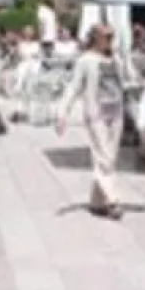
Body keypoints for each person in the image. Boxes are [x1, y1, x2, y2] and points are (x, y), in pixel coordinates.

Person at [57, 23, 128, 219]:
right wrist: (62, 113)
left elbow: (124, 82)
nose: (110, 40)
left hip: (116, 112)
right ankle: (113, 200)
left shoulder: (117, 60)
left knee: (110, 157)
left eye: (112, 36)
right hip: (96, 113)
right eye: (106, 36)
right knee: (104, 156)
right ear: (96, 37)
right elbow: (73, 87)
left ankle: (97, 201)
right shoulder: (85, 60)